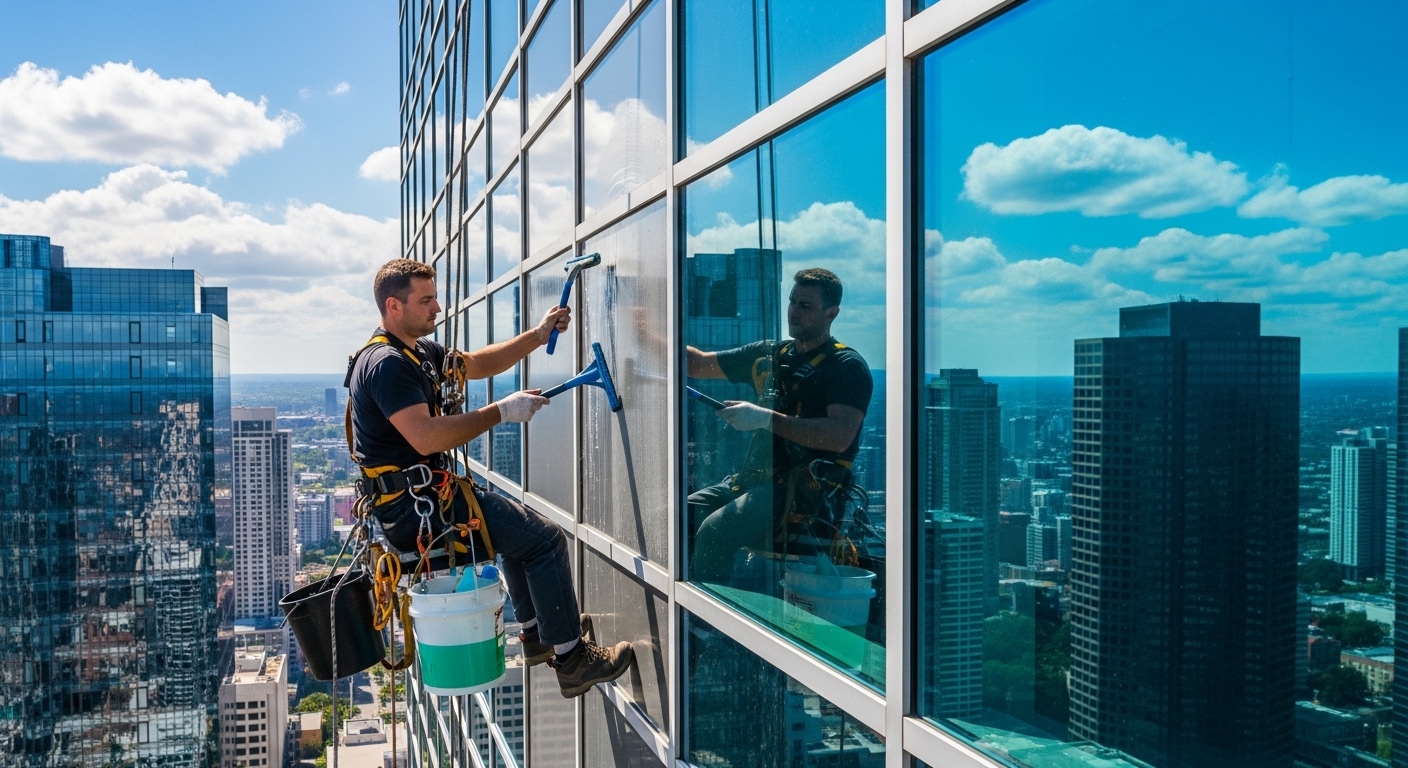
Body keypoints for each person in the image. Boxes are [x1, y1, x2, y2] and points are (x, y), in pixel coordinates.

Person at [346, 258, 632, 698]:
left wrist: (538, 336)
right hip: (413, 509)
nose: (437, 307)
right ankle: (572, 660)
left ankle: (539, 634)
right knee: (545, 540)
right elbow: (424, 437)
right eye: (426, 300)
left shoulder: (417, 352)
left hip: (424, 498)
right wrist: (501, 411)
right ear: (393, 306)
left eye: (435, 297)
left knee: (517, 538)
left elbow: (477, 363)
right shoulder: (387, 364)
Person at [686, 268, 873, 582]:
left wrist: (763, 418)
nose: (794, 312)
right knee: (681, 516)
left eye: (806, 306)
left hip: (804, 493)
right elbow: (697, 363)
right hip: (755, 481)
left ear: (832, 313)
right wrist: (638, 330)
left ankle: (704, 629)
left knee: (715, 531)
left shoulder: (845, 366)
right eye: (792, 302)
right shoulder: (771, 356)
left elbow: (839, 436)